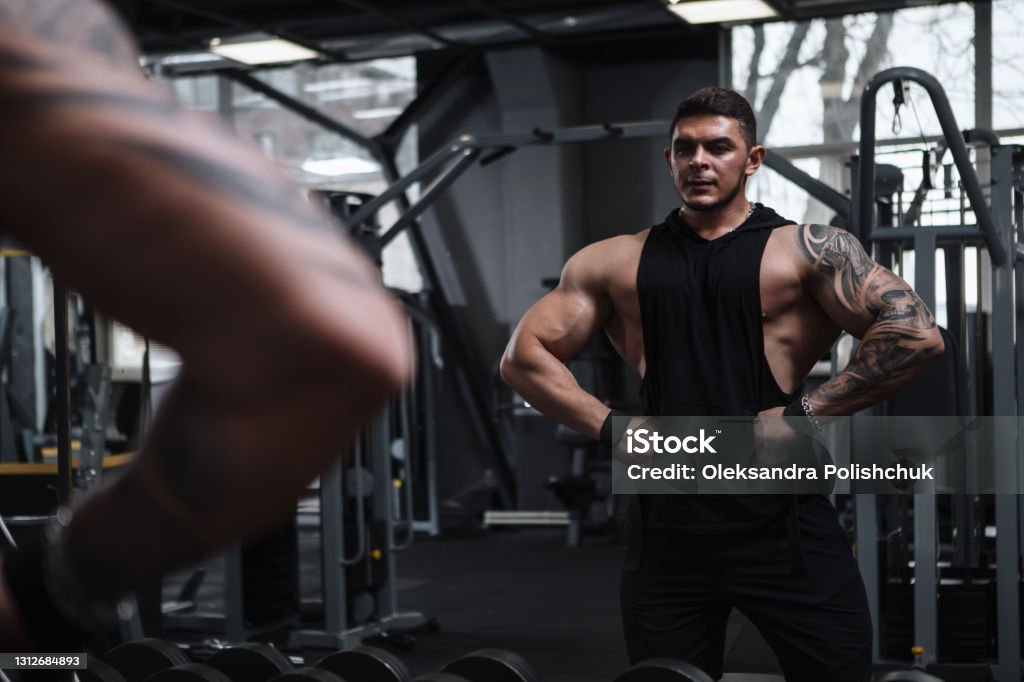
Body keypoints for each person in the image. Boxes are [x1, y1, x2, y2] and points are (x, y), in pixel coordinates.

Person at [0, 0, 412, 651]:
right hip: (631, 437)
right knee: (640, 550)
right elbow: (521, 359)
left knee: (639, 531)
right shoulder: (607, 260)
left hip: (637, 439)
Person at [500, 86, 944, 681]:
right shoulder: (611, 262)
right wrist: (613, 427)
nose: (699, 161)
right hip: (667, 529)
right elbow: (523, 357)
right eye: (685, 149)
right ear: (669, 159)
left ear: (752, 159)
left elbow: (917, 333)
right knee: (667, 677)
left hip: (782, 523)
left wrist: (805, 416)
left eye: (718, 147)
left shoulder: (806, 251)